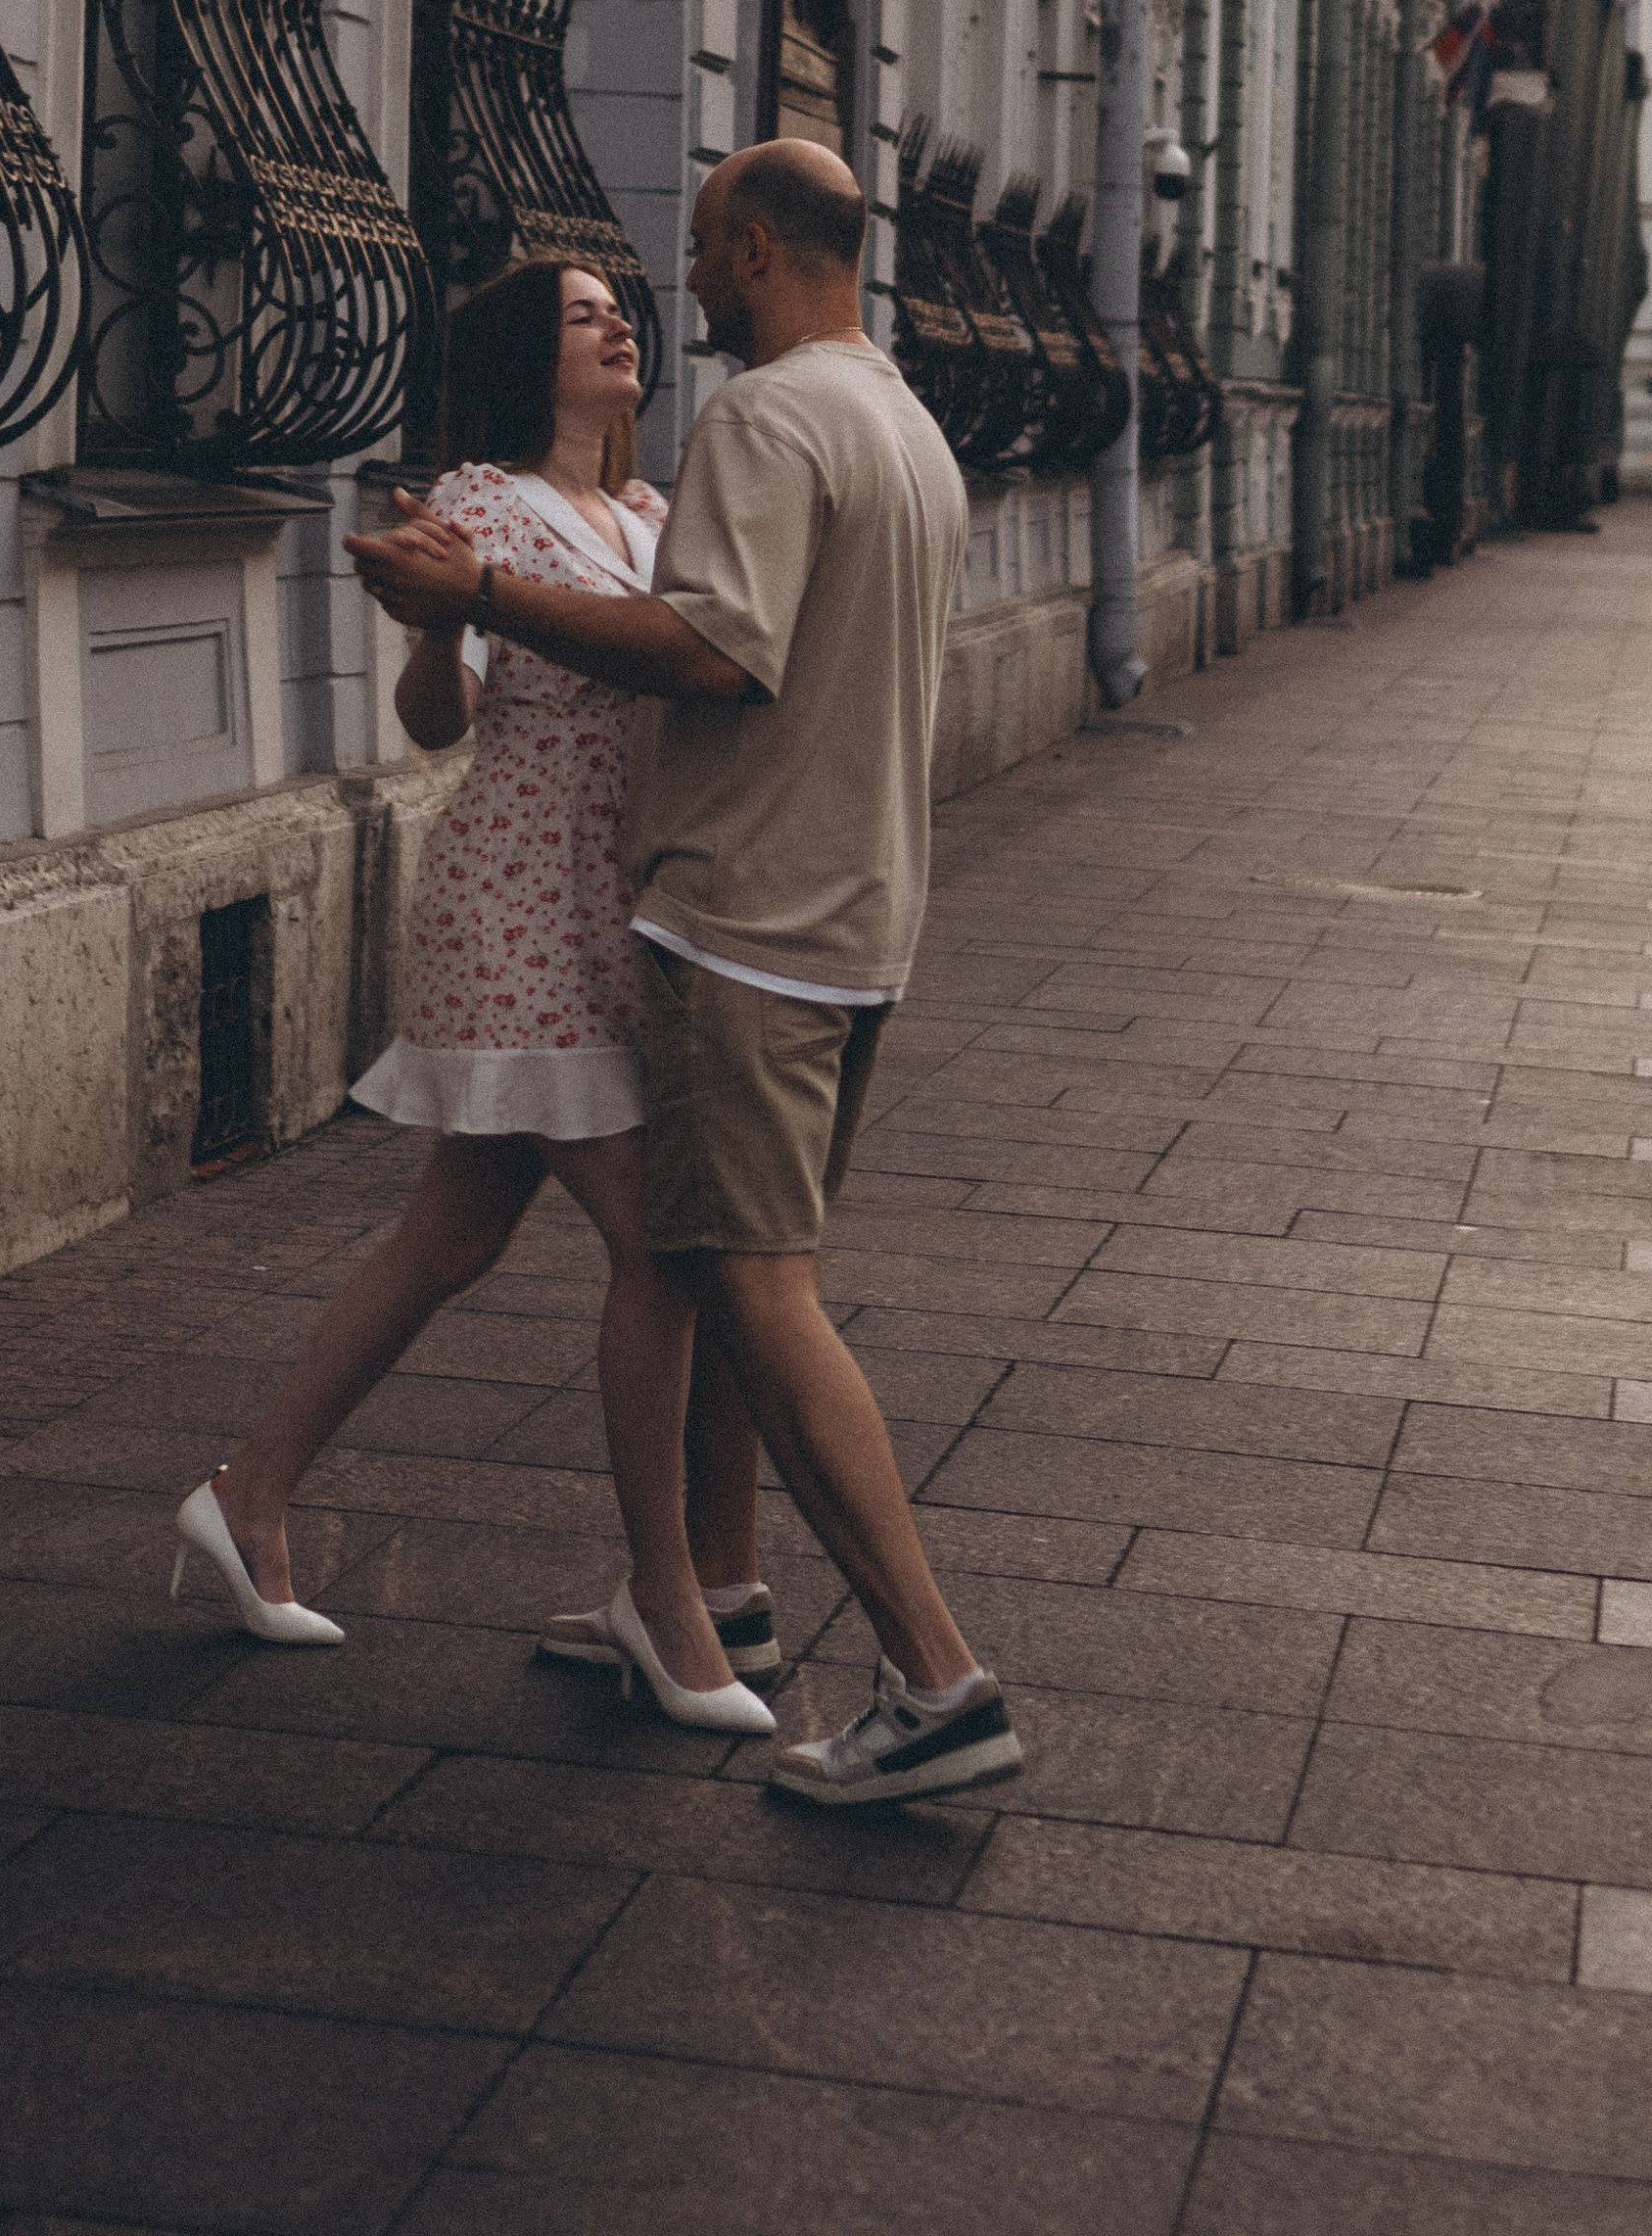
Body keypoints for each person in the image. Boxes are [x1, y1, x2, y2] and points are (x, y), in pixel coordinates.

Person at [350, 141, 1020, 1811]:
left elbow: (720, 652)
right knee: (725, 1267)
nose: (691, 281)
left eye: (711, 246)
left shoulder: (770, 421)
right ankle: (712, 1590)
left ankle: (939, 1681)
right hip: (862, 916)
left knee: (762, 1291)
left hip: (746, 924)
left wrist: (482, 589)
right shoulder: (905, 423)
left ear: (769, 247)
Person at [172, 259, 774, 1736]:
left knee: (448, 1235)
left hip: (615, 904)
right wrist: (441, 628)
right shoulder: (481, 502)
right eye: (583, 315)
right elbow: (439, 725)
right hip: (519, 898)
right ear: (529, 360)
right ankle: (667, 1598)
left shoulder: (648, 515)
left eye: (620, 309)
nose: (619, 324)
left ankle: (246, 1495)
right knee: (665, 1247)